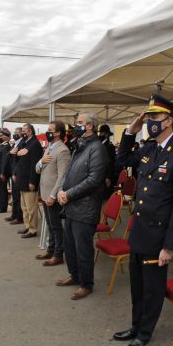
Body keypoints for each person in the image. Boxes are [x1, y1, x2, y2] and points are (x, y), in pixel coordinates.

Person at [113, 94, 173, 346]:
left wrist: (169, 246)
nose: (149, 121)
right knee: (137, 286)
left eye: (155, 117)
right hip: (139, 230)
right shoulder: (148, 147)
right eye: (147, 117)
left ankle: (144, 334)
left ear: (169, 121)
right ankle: (135, 326)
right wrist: (130, 132)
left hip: (158, 236)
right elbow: (122, 160)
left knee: (152, 289)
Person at [55, 111, 108, 301]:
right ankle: (75, 275)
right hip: (70, 206)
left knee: (83, 248)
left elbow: (94, 180)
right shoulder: (79, 145)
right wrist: (61, 189)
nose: (75, 125)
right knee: (70, 246)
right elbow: (69, 172)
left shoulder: (97, 148)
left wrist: (68, 194)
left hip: (85, 208)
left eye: (79, 122)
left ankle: (86, 284)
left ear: (90, 126)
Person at [36, 121, 71, 266]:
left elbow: (62, 176)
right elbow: (38, 169)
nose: (47, 132)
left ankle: (58, 254)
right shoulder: (49, 148)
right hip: (44, 192)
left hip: (52, 195)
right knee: (50, 224)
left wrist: (53, 195)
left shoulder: (63, 150)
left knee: (56, 226)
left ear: (57, 133)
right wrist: (41, 162)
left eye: (50, 130)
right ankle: (50, 249)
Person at [13, 123, 43, 238]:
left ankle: (33, 229)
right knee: (24, 206)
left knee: (31, 208)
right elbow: (18, 160)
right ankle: (27, 226)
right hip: (22, 179)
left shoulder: (35, 144)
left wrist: (32, 181)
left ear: (30, 131)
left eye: (24, 131)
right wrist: (15, 173)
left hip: (29, 181)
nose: (22, 133)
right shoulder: (25, 143)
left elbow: (34, 165)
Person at [98, 124, 118, 194]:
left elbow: (111, 162)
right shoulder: (99, 144)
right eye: (100, 133)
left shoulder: (109, 146)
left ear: (106, 134)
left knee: (105, 198)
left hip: (105, 175)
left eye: (102, 133)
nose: (100, 134)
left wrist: (108, 177)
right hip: (98, 175)